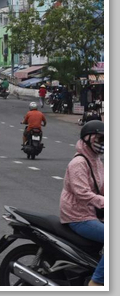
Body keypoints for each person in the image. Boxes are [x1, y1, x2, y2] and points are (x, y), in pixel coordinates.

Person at [59, 121, 104, 286]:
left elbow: (103, 187)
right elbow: (82, 193)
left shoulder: (97, 161)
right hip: (78, 216)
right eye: (99, 139)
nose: (102, 143)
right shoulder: (78, 163)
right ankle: (97, 283)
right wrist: (105, 202)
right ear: (88, 138)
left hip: (91, 213)